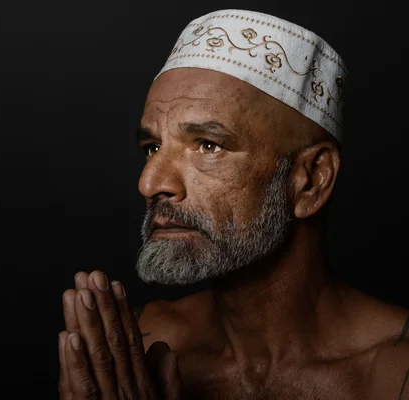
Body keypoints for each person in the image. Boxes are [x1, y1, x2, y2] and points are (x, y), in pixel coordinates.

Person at [58, 9, 409, 399]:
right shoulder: (133, 351)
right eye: (152, 147)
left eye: (209, 145)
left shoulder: (392, 373)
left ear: (310, 179)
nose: (150, 182)